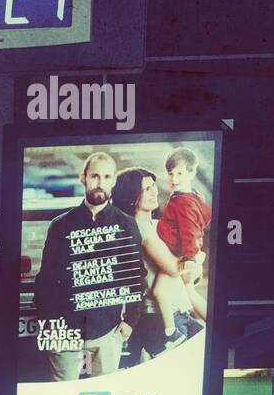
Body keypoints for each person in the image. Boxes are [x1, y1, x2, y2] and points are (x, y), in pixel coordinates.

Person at [33, 151, 145, 382]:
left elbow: (135, 276)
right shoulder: (61, 226)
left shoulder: (126, 224)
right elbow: (45, 280)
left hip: (108, 328)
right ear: (82, 178)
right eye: (95, 176)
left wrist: (130, 321)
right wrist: (51, 323)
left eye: (106, 177)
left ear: (113, 181)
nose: (100, 183)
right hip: (64, 330)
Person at [110, 165, 182, 366]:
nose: (155, 192)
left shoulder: (156, 225)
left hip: (171, 310)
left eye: (154, 186)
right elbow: (175, 267)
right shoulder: (137, 230)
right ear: (132, 196)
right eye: (146, 189)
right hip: (153, 316)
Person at [151, 147, 211, 347]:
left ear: (192, 173)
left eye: (180, 173)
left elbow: (189, 231)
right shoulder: (190, 197)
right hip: (181, 252)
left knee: (160, 292)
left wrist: (190, 258)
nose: (174, 179)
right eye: (171, 173)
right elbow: (200, 220)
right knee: (188, 293)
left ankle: (172, 334)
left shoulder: (183, 202)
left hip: (176, 254)